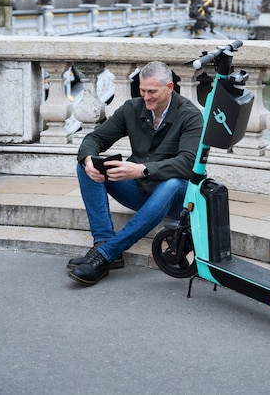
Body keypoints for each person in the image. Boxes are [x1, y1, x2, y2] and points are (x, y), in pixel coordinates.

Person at [68, 61, 203, 286]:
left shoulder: (191, 115)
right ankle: (102, 242)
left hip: (177, 199)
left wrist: (142, 169)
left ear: (170, 87)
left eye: (152, 92)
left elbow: (188, 164)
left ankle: (105, 255)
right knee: (86, 166)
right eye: (142, 91)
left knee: (171, 184)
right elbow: (94, 139)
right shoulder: (132, 108)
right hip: (142, 191)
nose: (146, 97)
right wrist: (89, 158)